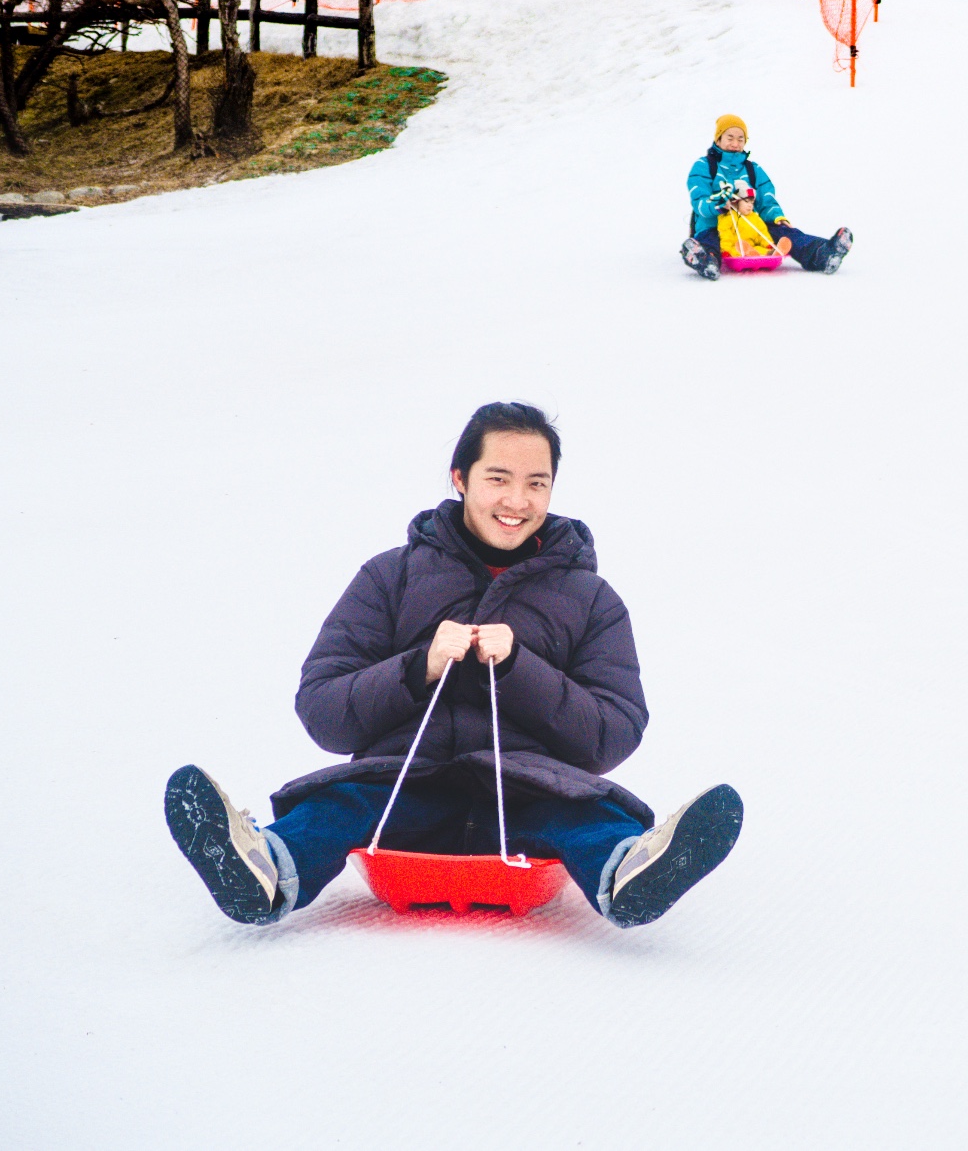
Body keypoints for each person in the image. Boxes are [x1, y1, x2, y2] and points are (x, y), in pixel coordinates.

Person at [164, 402, 743, 929]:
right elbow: (323, 711)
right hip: (401, 787)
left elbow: (612, 733)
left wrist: (520, 668)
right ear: (460, 478)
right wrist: (419, 667)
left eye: (536, 484)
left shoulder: (591, 600)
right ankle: (265, 870)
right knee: (337, 807)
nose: (517, 502)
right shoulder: (389, 577)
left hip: (527, 791)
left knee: (585, 817)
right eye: (498, 478)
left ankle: (630, 874)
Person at [681, 114, 853, 281]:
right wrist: (719, 205)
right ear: (718, 139)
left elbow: (766, 199)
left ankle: (823, 254)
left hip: (750, 227)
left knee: (786, 233)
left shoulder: (752, 169)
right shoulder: (704, 166)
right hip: (715, 224)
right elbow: (700, 202)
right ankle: (705, 259)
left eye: (740, 139)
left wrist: (777, 217)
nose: (735, 143)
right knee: (709, 238)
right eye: (730, 137)